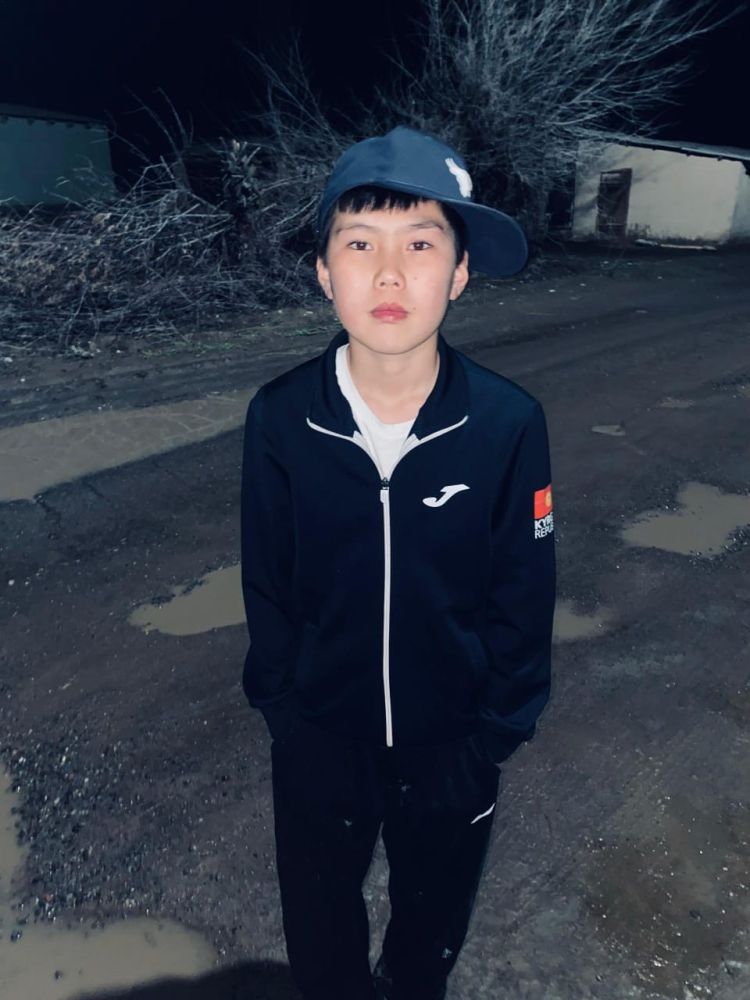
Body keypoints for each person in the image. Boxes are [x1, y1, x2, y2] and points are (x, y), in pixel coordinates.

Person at [240, 125, 556, 1000]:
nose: (388, 274)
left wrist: (494, 734)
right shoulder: (281, 417)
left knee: (427, 945)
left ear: (459, 273)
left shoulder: (506, 423)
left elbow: (525, 591)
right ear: (323, 272)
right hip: (320, 739)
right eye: (359, 244)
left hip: (451, 743)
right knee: (322, 949)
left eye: (420, 245)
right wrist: (286, 713)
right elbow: (266, 578)